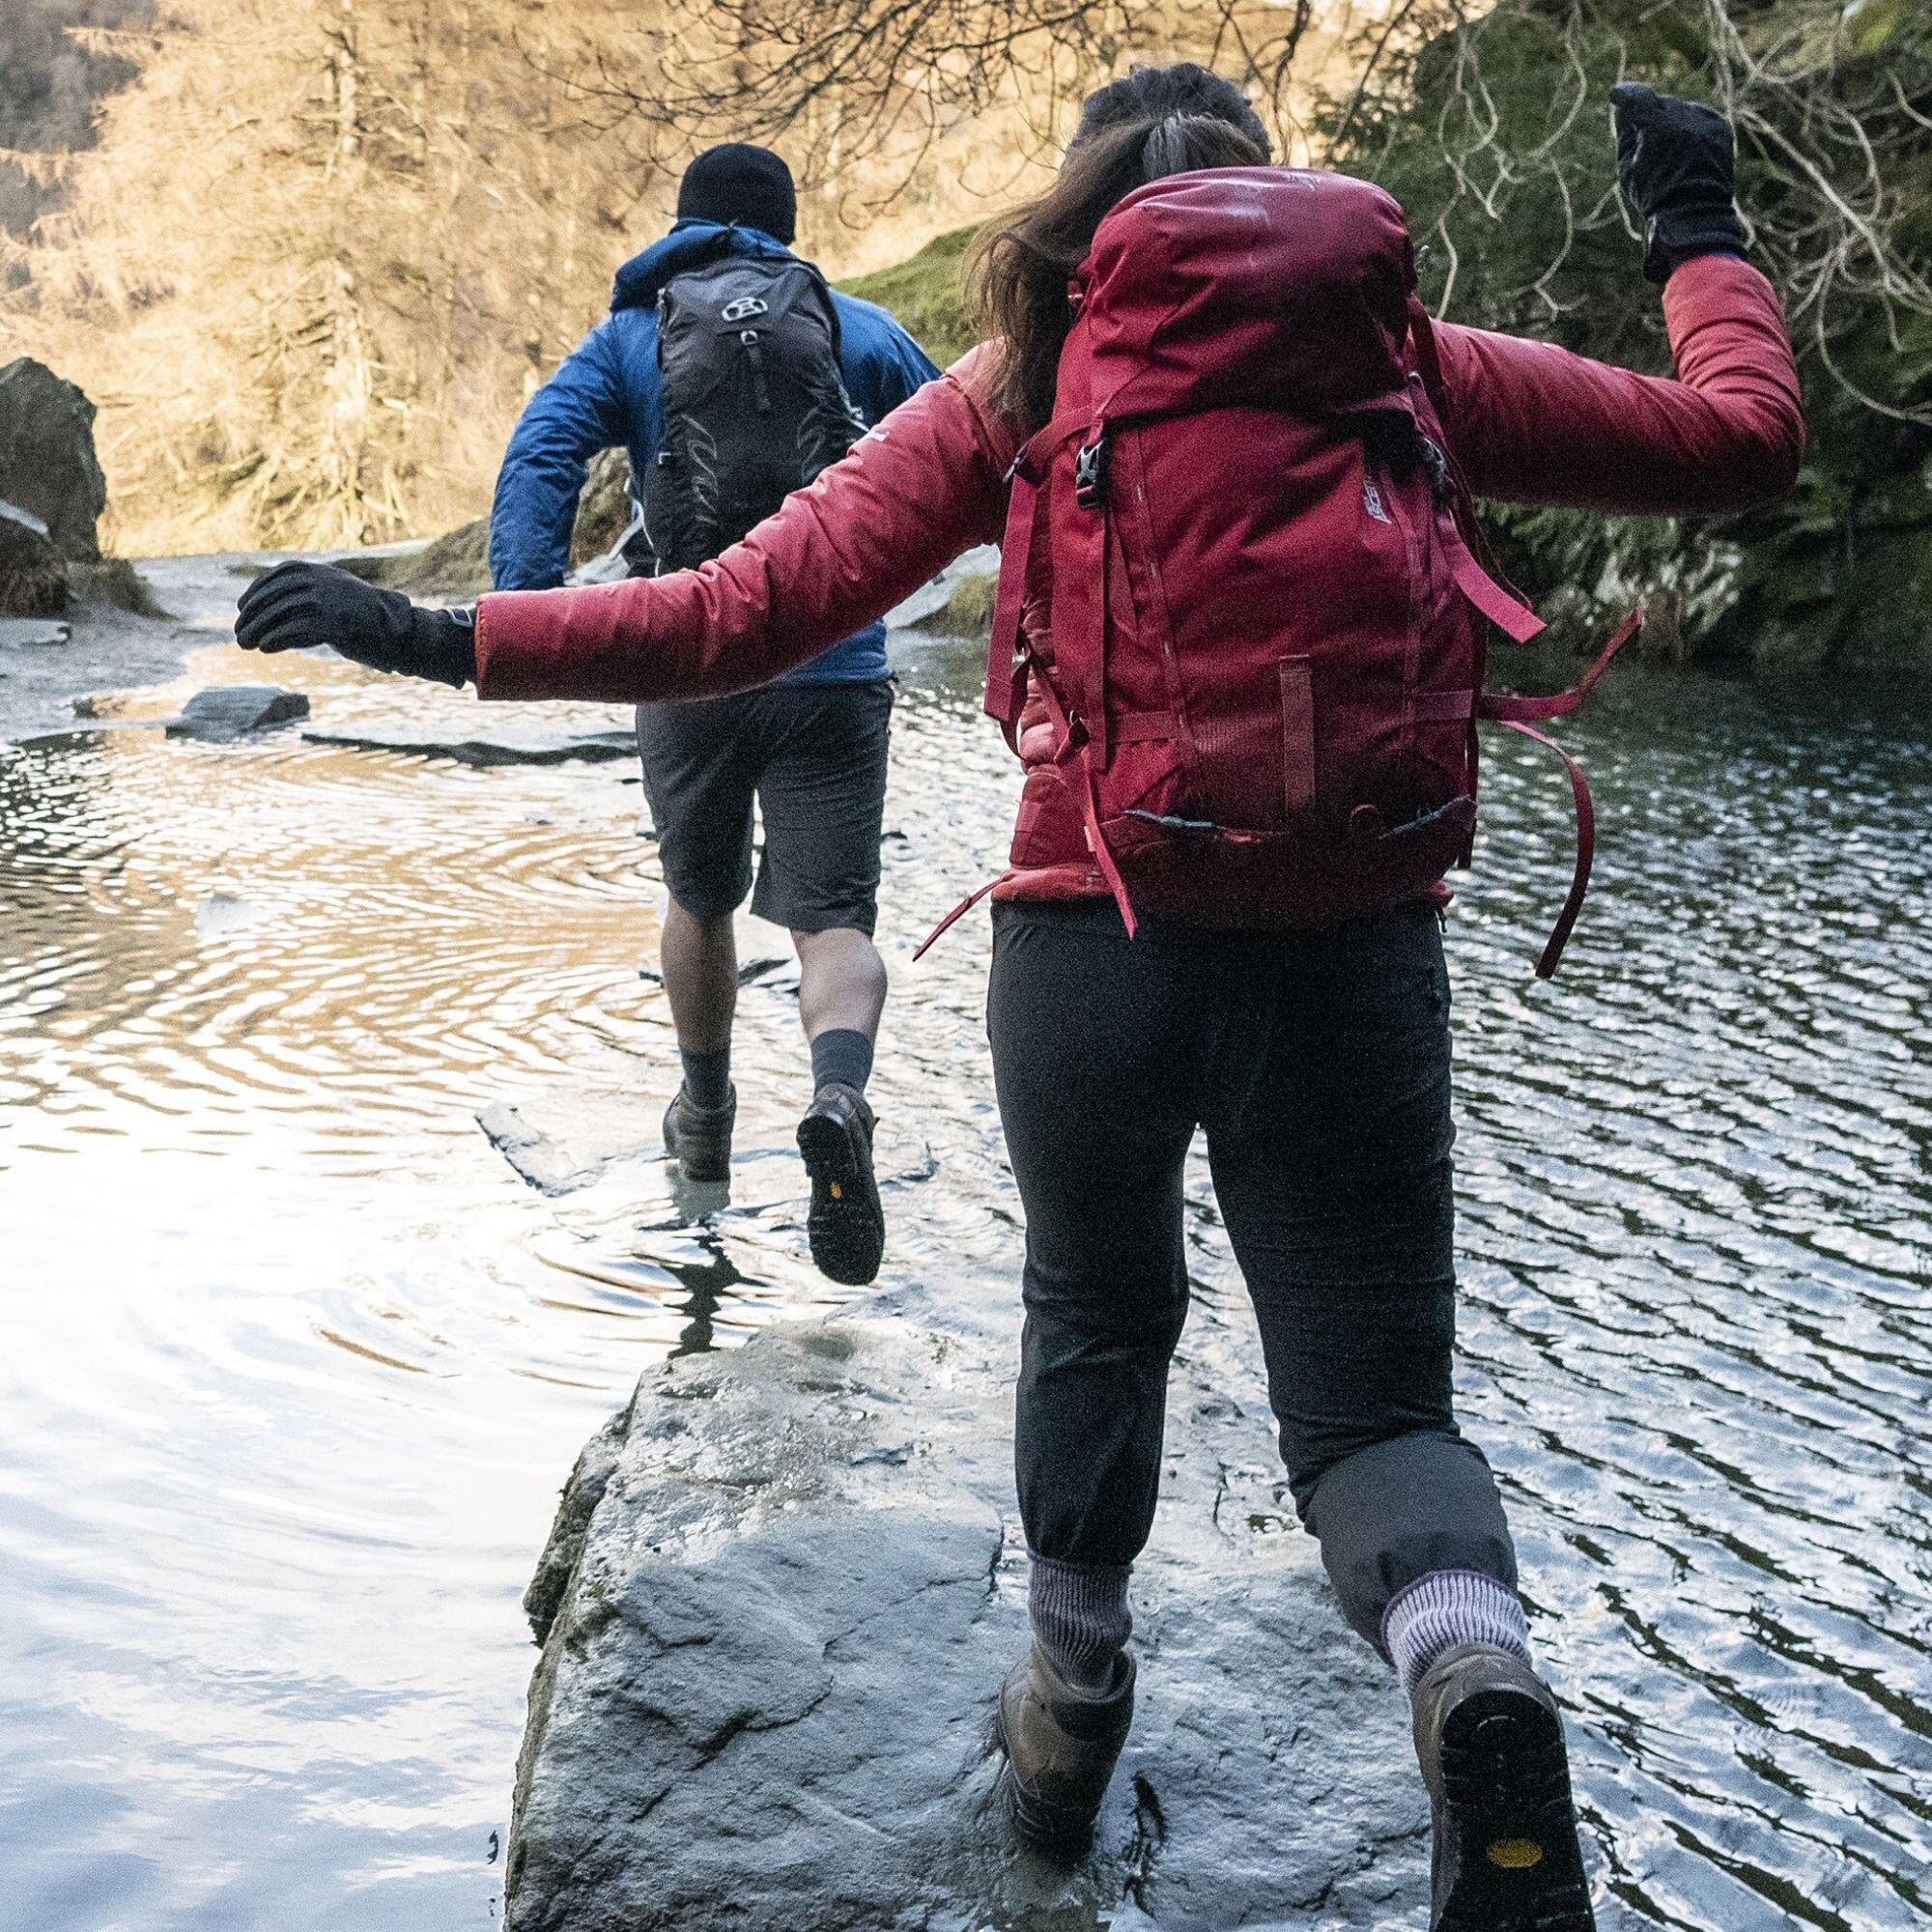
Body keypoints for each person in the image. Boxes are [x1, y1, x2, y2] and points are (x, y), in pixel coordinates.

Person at [236, 64, 1802, 1932]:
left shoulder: (1033, 377)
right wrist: (1693, 221)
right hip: (1355, 947)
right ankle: (1470, 1681)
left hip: (1091, 937)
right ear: (1275, 189)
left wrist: (438, 632)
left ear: (1083, 212)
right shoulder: (1404, 356)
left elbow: (738, 607)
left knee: (1095, 1310)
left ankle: (1067, 1710)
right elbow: (1740, 440)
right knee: (1376, 1409)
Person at [489, 142, 940, 1284]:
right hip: (833, 665)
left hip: (685, 659)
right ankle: (838, 1094)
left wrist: (532, 601)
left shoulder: (634, 334)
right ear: (783, 230)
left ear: (683, 226)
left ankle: (704, 1114)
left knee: (698, 896)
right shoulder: (845, 324)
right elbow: (958, 432)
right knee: (833, 918)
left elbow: (543, 446)